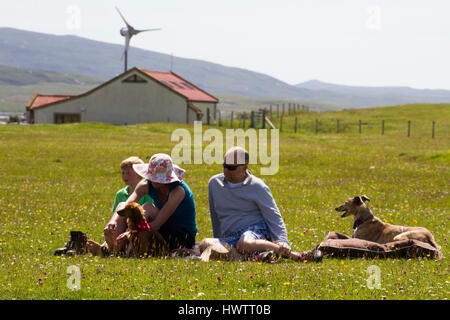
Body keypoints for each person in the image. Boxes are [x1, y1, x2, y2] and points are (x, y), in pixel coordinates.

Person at [199, 146, 322, 262]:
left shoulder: (257, 186)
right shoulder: (214, 183)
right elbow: (215, 216)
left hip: (254, 231)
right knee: (204, 244)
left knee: (244, 244)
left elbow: (273, 216)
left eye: (231, 167)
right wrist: (218, 242)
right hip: (231, 236)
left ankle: (293, 255)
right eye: (224, 166)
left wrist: (282, 241)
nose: (226, 170)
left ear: (244, 167)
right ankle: (257, 256)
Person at [119, 153, 197, 251]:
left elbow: (157, 224)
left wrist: (131, 233)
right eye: (151, 177)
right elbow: (127, 205)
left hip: (183, 237)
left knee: (147, 208)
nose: (153, 180)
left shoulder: (178, 191)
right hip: (162, 230)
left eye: (156, 178)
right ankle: (111, 246)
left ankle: (129, 248)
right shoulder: (146, 184)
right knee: (124, 207)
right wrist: (114, 221)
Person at [86, 156, 154, 255]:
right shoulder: (121, 194)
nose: (124, 176)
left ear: (139, 174)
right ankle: (106, 246)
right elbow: (117, 214)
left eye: (128, 173)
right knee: (117, 227)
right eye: (123, 173)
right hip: (123, 223)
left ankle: (109, 249)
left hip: (139, 224)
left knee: (127, 229)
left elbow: (147, 214)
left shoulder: (146, 192)